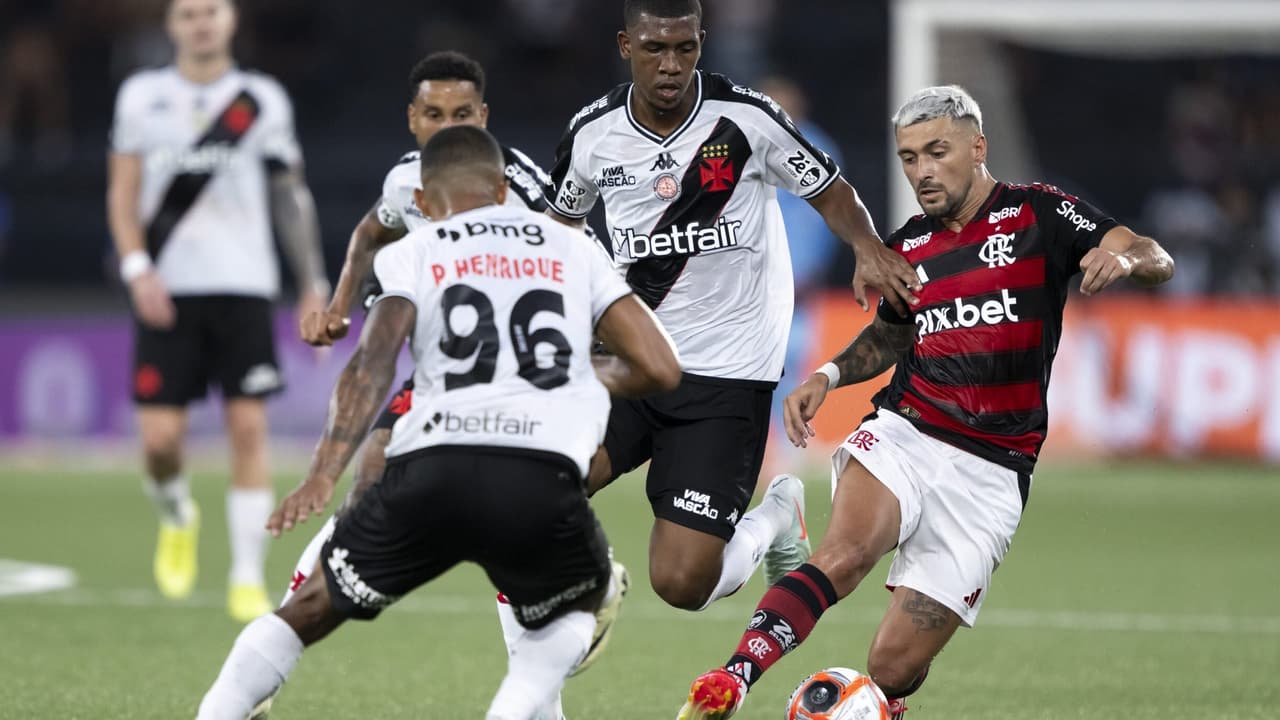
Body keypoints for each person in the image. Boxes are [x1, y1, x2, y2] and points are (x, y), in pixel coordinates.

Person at [675, 85, 1175, 719]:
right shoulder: (907, 246)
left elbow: (1154, 254)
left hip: (993, 470)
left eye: (936, 152)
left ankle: (881, 704)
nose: (922, 171)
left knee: (894, 668)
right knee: (847, 553)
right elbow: (891, 333)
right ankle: (732, 678)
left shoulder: (1040, 215)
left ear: (977, 147)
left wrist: (1123, 258)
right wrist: (828, 375)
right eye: (909, 157)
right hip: (906, 431)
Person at [195, 125, 681, 720]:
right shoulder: (572, 248)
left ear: (422, 203)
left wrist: (324, 473)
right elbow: (659, 367)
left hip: (430, 468)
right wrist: (565, 373)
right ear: (504, 189)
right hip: (536, 477)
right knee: (578, 610)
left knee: (305, 612)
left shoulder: (411, 251)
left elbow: (372, 366)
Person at [546, 0, 919, 621]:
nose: (670, 65)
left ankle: (773, 518)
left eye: (684, 48)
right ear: (624, 45)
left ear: (701, 43)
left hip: (726, 371)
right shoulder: (593, 133)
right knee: (538, 483)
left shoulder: (745, 119)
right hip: (633, 357)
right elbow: (558, 227)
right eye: (654, 49)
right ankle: (569, 628)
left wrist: (867, 246)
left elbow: (830, 189)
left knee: (682, 583)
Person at [106, 0, 327, 622]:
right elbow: (122, 194)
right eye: (187, 14)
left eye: (210, 11)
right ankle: (178, 514)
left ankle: (244, 577)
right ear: (171, 26)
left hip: (243, 286)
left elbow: (291, 196)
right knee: (160, 442)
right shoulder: (141, 97)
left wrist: (311, 282)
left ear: (231, 20)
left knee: (249, 430)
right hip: (166, 289)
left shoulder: (260, 99)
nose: (200, 22)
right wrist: (136, 269)